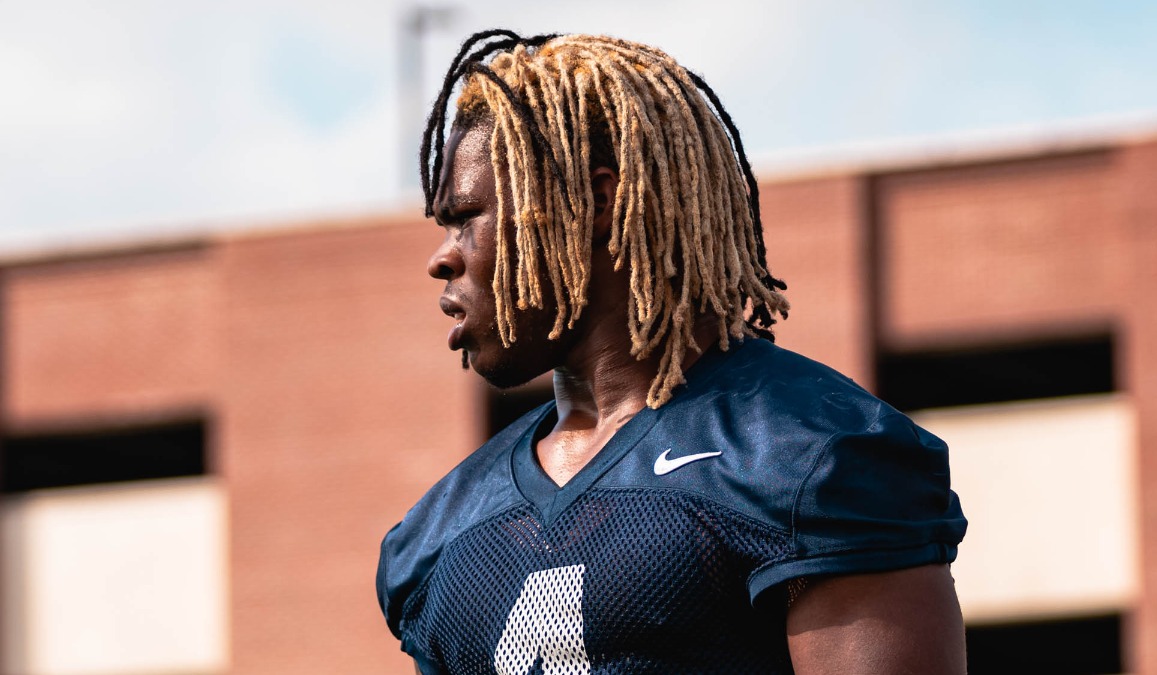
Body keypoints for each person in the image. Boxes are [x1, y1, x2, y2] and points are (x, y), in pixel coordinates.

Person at [377, 30, 968, 674]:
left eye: (467, 216)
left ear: (596, 202)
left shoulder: (808, 455)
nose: (443, 257)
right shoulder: (440, 534)